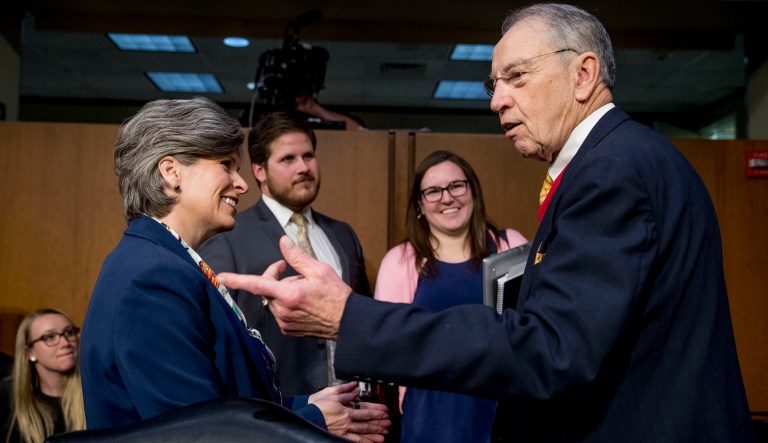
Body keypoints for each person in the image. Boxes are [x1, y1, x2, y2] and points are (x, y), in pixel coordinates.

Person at [217, 3, 755, 442]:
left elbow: (552, 349)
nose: (497, 101)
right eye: (492, 85)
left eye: (516, 77)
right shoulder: (622, 160)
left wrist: (349, 317)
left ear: (584, 74)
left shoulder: (611, 172)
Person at [80, 97, 390, 442]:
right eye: (226, 165)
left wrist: (305, 404)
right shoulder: (154, 277)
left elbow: (225, 400)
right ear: (171, 173)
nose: (241, 184)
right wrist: (313, 420)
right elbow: (196, 433)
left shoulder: (167, 261)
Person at [199, 112, 371, 396]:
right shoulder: (228, 236)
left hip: (351, 412)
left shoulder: (343, 235)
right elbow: (215, 339)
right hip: (279, 415)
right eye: (288, 159)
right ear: (259, 171)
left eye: (308, 156)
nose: (303, 167)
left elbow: (360, 318)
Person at [375, 150, 527, 442]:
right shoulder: (401, 261)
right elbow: (389, 345)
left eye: (456, 186)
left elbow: (533, 328)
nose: (447, 198)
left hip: (504, 404)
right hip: (432, 412)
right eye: (433, 191)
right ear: (419, 205)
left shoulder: (511, 246)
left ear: (472, 191)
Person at [0, 308, 85, 443]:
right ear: (30, 353)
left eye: (69, 332)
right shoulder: (7, 396)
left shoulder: (94, 391)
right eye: (49, 337)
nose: (65, 343)